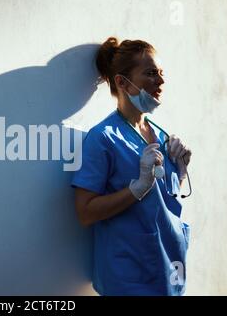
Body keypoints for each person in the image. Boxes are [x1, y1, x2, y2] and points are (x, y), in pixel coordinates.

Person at [71, 37, 192, 296]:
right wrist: (136, 189)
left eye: (161, 73)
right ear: (122, 82)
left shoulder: (161, 136)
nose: (160, 81)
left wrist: (179, 173)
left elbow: (163, 202)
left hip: (169, 273)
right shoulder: (103, 137)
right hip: (128, 280)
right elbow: (85, 212)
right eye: (150, 74)